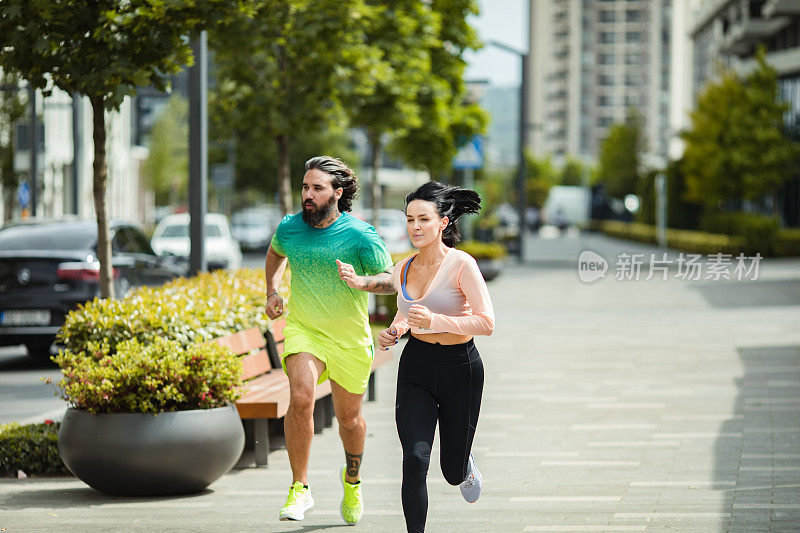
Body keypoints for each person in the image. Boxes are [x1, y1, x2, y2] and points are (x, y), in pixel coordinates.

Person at [265, 156, 396, 524]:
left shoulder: (360, 234)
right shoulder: (290, 228)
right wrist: (272, 290)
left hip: (350, 340)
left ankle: (352, 481)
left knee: (349, 420)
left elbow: (391, 280)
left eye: (317, 188)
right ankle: (299, 488)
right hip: (305, 330)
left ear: (337, 193)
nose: (307, 194)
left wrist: (362, 282)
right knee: (302, 397)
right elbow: (276, 253)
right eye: (305, 187)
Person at [378, 182, 495, 532]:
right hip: (416, 368)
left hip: (461, 369)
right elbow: (407, 314)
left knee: (450, 471)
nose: (415, 227)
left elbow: (486, 322)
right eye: (410, 219)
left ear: (442, 223)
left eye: (423, 219)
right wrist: (396, 331)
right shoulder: (402, 268)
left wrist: (436, 321)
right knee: (414, 460)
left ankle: (463, 466)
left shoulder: (462, 264)